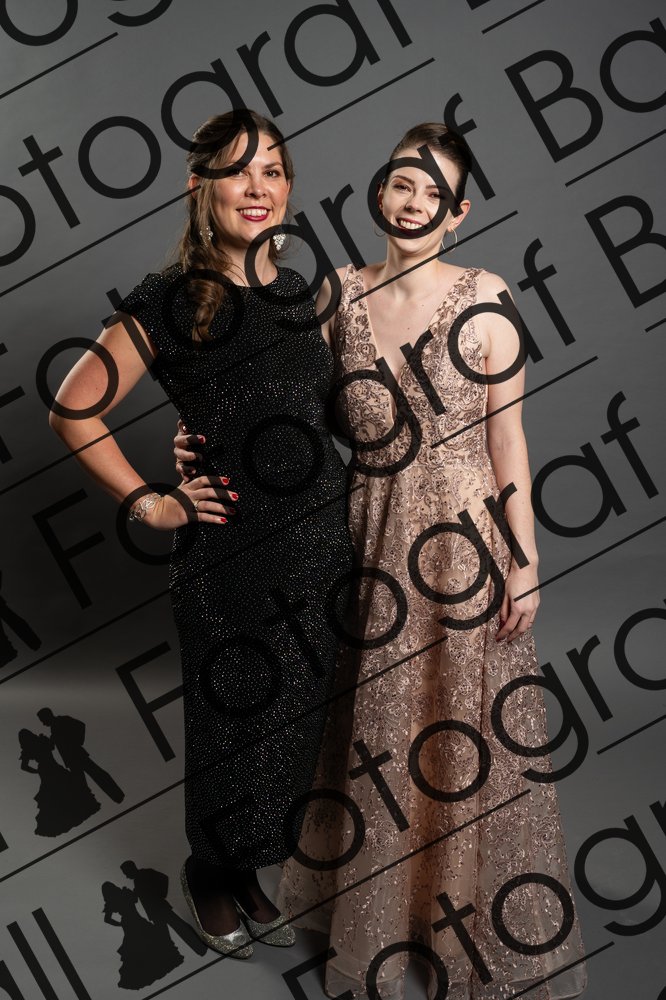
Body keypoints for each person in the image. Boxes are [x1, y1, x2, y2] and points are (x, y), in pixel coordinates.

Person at [265, 123, 586, 999]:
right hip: (367, 535)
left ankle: (453, 923)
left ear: (459, 212)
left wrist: (525, 560)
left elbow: (508, 438)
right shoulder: (338, 293)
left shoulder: (486, 294)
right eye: (402, 184)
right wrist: (200, 438)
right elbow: (284, 408)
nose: (412, 204)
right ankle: (373, 916)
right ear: (381, 192)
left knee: (457, 730)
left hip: (464, 544)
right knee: (375, 727)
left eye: (433, 193)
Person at [48, 110, 353, 957]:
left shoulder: (299, 292)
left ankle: (247, 870)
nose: (258, 188)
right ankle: (208, 873)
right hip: (231, 558)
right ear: (199, 185)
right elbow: (72, 410)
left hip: (321, 547)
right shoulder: (172, 299)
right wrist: (153, 502)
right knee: (234, 724)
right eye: (238, 170)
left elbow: (308, 412)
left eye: (273, 171)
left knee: (290, 726)